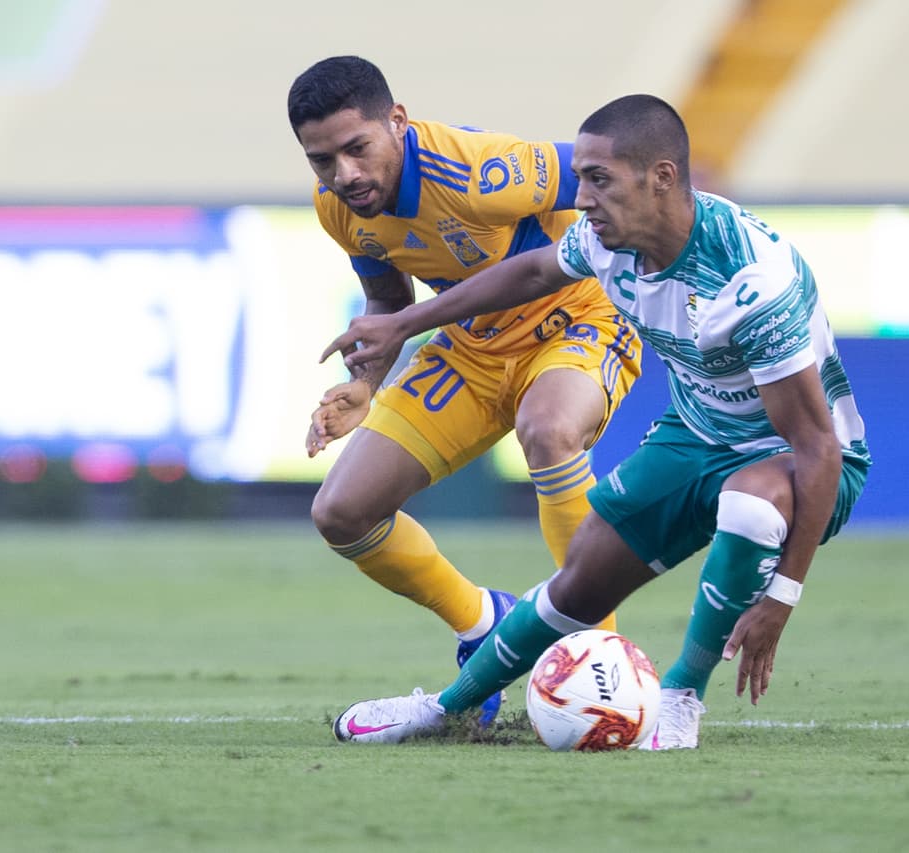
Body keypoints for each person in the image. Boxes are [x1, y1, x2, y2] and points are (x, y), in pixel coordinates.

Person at [320, 94, 871, 749]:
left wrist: (780, 596)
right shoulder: (610, 239)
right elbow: (527, 271)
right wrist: (404, 324)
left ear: (661, 177)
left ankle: (681, 696)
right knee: (576, 584)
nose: (580, 198)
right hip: (693, 436)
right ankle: (449, 708)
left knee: (749, 506)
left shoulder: (752, 283)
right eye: (580, 178)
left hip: (792, 461)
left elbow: (816, 446)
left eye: (599, 180)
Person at [286, 56, 642, 724]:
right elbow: (386, 294)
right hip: (474, 346)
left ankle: (601, 659)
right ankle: (484, 624)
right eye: (322, 160)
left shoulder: (480, 172)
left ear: (397, 120)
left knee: (550, 428)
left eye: (357, 148)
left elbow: (609, 168)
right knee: (340, 511)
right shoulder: (338, 206)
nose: (345, 175)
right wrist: (365, 381)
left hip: (579, 319)